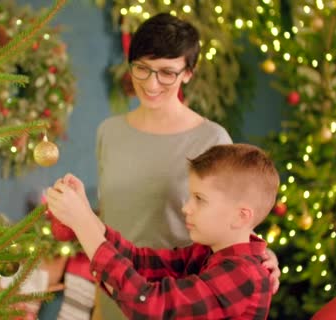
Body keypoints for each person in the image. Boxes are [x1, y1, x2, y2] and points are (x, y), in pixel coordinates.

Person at [94, 12, 280, 319]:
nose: (152, 83)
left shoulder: (212, 138)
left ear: (188, 73)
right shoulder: (108, 132)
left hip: (173, 304)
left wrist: (265, 254)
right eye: (142, 68)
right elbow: (111, 211)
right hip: (114, 295)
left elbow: (237, 216)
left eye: (167, 72)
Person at [46, 143, 279, 319]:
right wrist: (86, 216)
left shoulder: (245, 275)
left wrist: (82, 225)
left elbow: (151, 306)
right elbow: (141, 263)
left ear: (241, 216)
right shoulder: (207, 251)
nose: (186, 207)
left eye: (200, 199)